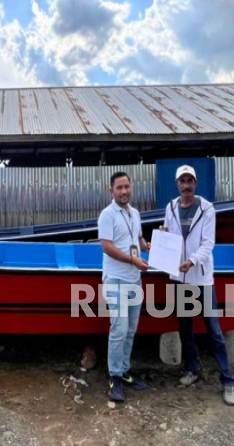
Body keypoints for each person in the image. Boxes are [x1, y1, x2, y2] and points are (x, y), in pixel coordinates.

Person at [161, 164, 234, 406]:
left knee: (214, 330)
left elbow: (208, 243)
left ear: (195, 183)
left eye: (190, 180)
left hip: (201, 279)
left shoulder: (207, 208)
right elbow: (171, 238)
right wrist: (163, 235)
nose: (186, 185)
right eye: (182, 181)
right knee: (185, 329)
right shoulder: (171, 207)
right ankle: (192, 369)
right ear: (177, 184)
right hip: (180, 280)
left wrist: (192, 261)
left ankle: (227, 380)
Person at [97, 171, 151, 402]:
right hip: (116, 279)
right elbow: (106, 247)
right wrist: (132, 260)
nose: (124, 191)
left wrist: (152, 243)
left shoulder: (135, 213)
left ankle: (125, 370)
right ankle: (114, 377)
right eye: (119, 187)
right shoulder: (107, 215)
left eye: (127, 186)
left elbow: (138, 241)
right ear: (112, 191)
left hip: (134, 279)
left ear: (131, 188)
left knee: (130, 329)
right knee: (118, 329)